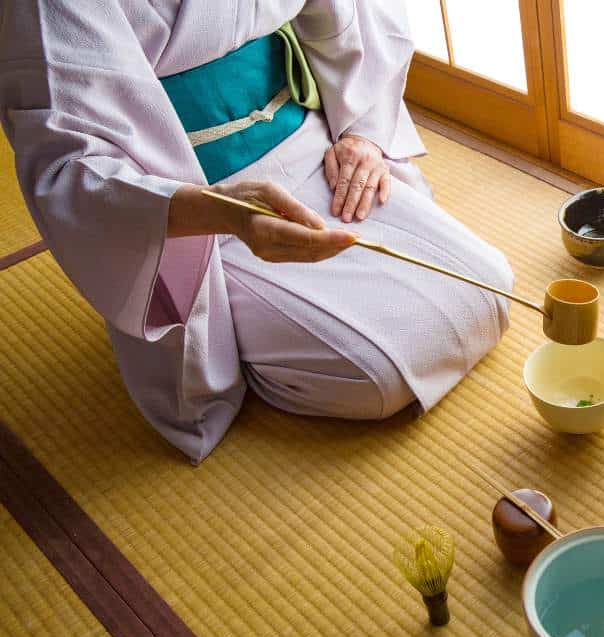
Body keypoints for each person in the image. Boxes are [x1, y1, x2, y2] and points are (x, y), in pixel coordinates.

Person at [0, 1, 513, 463]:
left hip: (313, 149)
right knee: (375, 373)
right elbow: (71, 167)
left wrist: (364, 135)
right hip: (191, 203)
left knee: (490, 285)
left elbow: (354, 12)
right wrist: (225, 213)